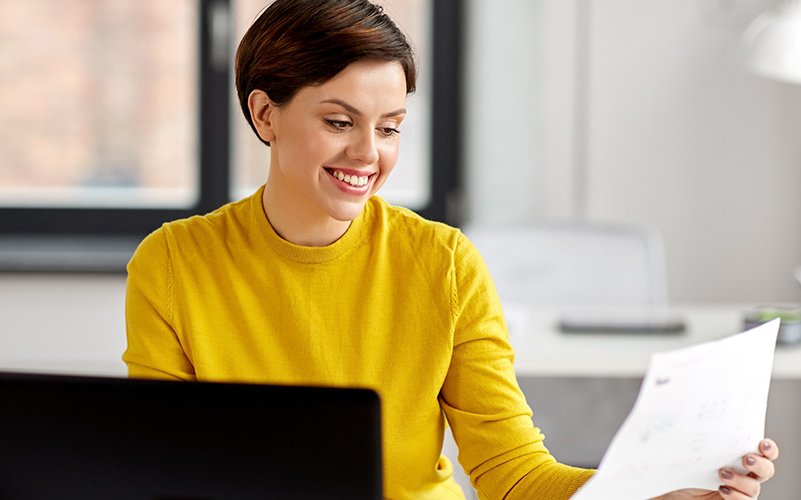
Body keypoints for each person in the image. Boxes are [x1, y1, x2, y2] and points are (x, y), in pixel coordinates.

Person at [123, 0, 780, 498]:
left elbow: (509, 470)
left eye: (389, 128)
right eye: (338, 121)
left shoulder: (441, 262)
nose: (368, 154)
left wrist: (650, 493)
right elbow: (159, 467)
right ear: (265, 115)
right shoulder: (175, 263)